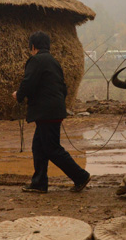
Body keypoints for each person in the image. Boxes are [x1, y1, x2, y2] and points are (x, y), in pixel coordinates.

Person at [12, 31, 91, 193]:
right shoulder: (54, 62)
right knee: (39, 147)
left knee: (51, 148)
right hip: (54, 110)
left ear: (33, 47)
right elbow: (62, 87)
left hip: (46, 112)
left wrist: (18, 95)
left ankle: (80, 176)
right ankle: (39, 183)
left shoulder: (36, 60)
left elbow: (28, 82)